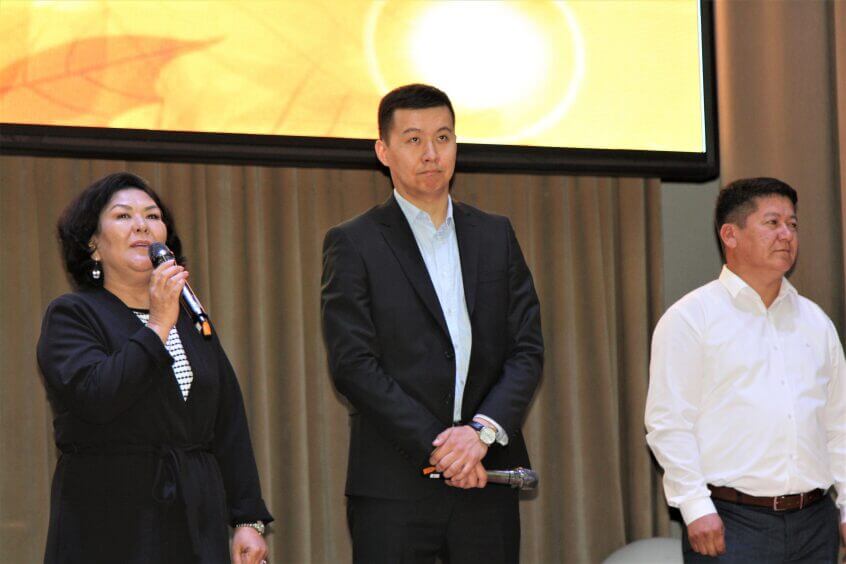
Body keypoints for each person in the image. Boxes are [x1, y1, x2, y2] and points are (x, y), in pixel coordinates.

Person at [320, 83, 543, 563]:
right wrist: (442, 447)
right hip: (394, 487)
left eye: (443, 138)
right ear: (383, 152)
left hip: (486, 476)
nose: (431, 153)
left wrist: (479, 434)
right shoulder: (353, 242)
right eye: (414, 139)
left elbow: (526, 350)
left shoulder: (496, 234)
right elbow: (353, 364)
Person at [37, 172, 273, 564]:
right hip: (109, 519)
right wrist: (158, 323)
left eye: (152, 215)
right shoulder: (72, 315)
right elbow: (97, 396)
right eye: (123, 216)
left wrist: (248, 518)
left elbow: (228, 421)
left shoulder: (191, 318)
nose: (142, 225)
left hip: (194, 515)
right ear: (93, 245)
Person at [645, 177, 845, 562]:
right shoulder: (691, 318)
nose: (786, 234)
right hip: (732, 522)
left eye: (792, 224)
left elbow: (839, 423)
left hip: (815, 522)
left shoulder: (815, 322)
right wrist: (694, 506)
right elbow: (669, 423)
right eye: (772, 223)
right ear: (730, 235)